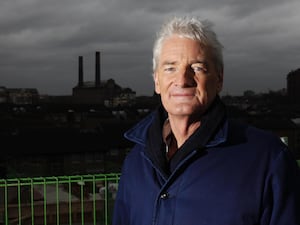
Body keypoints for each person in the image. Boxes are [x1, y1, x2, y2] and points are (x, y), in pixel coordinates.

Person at [112, 15, 300, 225]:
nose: (182, 80)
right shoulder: (136, 161)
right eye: (170, 68)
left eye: (197, 68)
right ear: (157, 80)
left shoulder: (267, 159)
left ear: (219, 79)